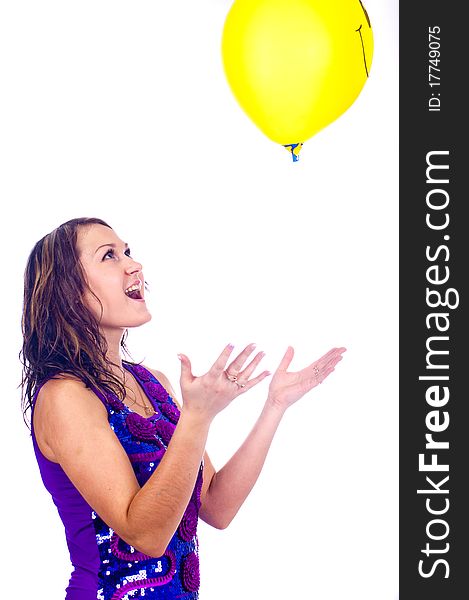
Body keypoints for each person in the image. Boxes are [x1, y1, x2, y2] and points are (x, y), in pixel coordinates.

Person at [21, 217, 346, 600]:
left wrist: (274, 407)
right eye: (109, 256)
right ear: (68, 291)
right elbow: (145, 535)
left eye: (128, 251)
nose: (133, 264)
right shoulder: (64, 397)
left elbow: (217, 507)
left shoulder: (153, 383)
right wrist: (198, 417)